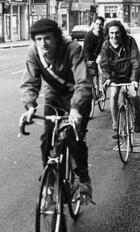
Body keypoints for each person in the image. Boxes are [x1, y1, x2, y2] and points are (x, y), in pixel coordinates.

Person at [20, 19, 93, 203]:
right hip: (54, 94)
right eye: (38, 39)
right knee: (47, 138)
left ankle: (84, 180)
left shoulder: (72, 49)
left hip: (78, 96)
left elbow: (83, 83)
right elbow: (30, 82)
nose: (43, 43)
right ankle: (49, 182)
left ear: (57, 38)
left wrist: (75, 109)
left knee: (74, 139)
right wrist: (29, 107)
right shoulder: (33, 52)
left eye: (47, 38)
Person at [100, 20, 140, 139]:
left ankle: (137, 113)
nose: (114, 36)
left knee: (132, 95)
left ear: (122, 33)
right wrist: (107, 78)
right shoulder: (106, 46)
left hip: (129, 75)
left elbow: (136, 61)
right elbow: (104, 65)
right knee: (114, 95)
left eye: (117, 33)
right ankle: (115, 127)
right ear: (108, 33)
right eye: (112, 33)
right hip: (114, 76)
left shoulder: (129, 41)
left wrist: (134, 79)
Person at [83, 16, 105, 93]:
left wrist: (101, 56)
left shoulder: (104, 35)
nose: (98, 26)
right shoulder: (89, 35)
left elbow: (106, 47)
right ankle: (91, 90)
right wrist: (89, 60)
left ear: (103, 25)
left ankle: (100, 89)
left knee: (102, 73)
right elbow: (86, 50)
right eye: (97, 24)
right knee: (90, 76)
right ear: (94, 24)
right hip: (90, 58)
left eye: (100, 24)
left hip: (100, 58)